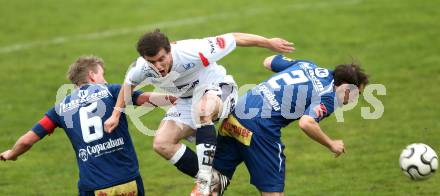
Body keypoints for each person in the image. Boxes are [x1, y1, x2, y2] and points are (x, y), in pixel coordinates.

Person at [102, 29, 294, 195]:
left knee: (202, 110)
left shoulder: (193, 51)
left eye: (162, 59)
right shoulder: (142, 68)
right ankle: (215, 179)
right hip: (186, 101)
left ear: (170, 50)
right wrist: (116, 114)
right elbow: (128, 85)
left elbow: (234, 37)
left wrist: (268, 42)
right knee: (162, 143)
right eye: (152, 62)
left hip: (218, 89)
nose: (158, 66)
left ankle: (204, 177)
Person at [0, 56, 175, 196]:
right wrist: (178, 99)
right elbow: (147, 99)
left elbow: (27, 140)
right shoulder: (112, 91)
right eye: (102, 75)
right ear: (92, 75)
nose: (104, 80)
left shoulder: (60, 109)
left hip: (94, 187)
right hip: (128, 182)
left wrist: (12, 154)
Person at [209, 54, 369, 195]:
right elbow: (307, 123)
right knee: (273, 192)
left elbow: (268, 61)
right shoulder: (329, 96)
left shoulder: (306, 65)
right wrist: (331, 144)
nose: (354, 98)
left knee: (213, 182)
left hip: (236, 114)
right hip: (260, 129)